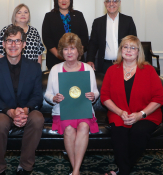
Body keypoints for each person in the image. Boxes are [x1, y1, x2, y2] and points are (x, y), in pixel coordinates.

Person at [0, 25, 44, 175]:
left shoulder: (34, 68)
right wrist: (10, 112)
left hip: (26, 111)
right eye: (9, 41)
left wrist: (25, 110)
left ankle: (25, 167)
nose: (13, 45)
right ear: (3, 44)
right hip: (2, 111)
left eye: (17, 41)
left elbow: (38, 96)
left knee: (37, 118)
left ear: (24, 44)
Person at [100, 35, 163, 175]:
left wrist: (140, 115)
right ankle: (124, 171)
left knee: (139, 133)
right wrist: (119, 112)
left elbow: (159, 98)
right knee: (118, 135)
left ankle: (121, 172)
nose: (128, 50)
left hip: (146, 114)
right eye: (125, 47)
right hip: (118, 113)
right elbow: (104, 97)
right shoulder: (112, 70)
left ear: (138, 52)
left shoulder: (149, 70)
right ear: (121, 50)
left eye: (133, 48)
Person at [44, 33, 99, 175]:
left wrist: (93, 96)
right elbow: (47, 94)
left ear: (78, 51)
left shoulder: (87, 68)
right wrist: (54, 98)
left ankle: (75, 172)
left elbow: (96, 92)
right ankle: (77, 171)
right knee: (68, 129)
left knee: (84, 126)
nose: (69, 52)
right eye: (66, 49)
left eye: (72, 49)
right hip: (63, 111)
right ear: (62, 51)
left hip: (84, 110)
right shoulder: (55, 69)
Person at [87, 0, 137, 74]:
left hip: (125, 64)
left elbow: (134, 43)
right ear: (104, 4)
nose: (111, 4)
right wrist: (90, 60)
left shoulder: (128, 21)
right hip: (104, 65)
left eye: (114, 1)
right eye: (108, 1)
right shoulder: (97, 22)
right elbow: (93, 44)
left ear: (119, 3)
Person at [42, 0, 89, 70]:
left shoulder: (79, 15)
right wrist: (59, 55)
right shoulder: (49, 16)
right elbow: (47, 38)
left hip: (77, 61)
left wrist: (76, 55)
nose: (64, 1)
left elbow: (84, 37)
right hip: (55, 60)